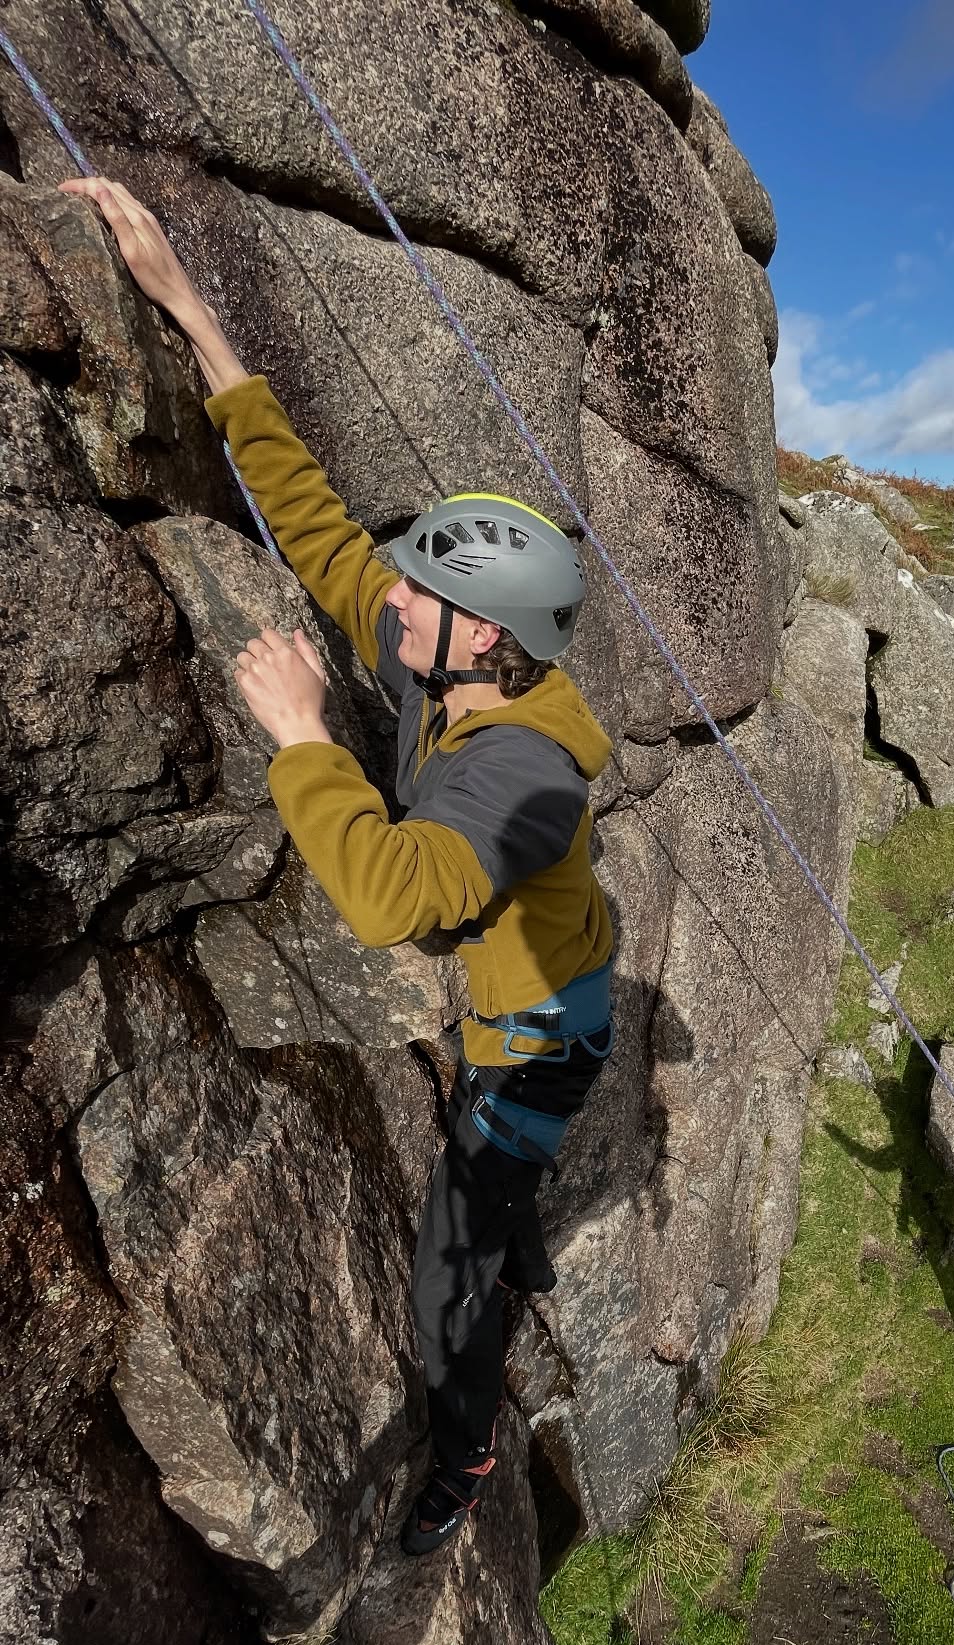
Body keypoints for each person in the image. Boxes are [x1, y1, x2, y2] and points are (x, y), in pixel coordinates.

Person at [62, 176, 615, 1555]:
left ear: (485, 639)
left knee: (452, 1272)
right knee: (489, 1176)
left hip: (539, 1037)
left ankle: (466, 1452)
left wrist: (303, 735)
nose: (395, 597)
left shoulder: (527, 772)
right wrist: (189, 309)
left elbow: (385, 896)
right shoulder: (451, 658)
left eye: (426, 592)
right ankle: (514, 1210)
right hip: (516, 999)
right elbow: (309, 523)